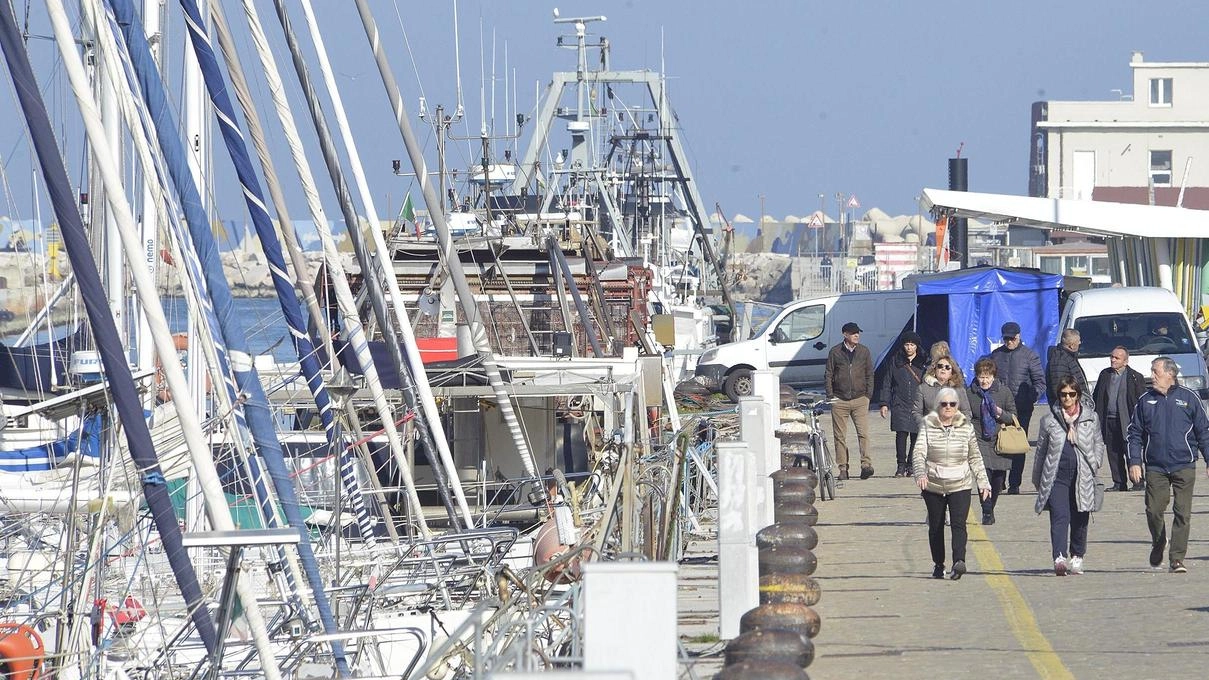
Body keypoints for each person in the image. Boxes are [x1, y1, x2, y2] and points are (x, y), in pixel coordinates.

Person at [1126, 357, 1209, 573]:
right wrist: (1134, 462)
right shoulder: (1145, 400)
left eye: (1156, 372)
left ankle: (1177, 558)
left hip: (1184, 464)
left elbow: (1204, 433)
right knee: (1154, 510)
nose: (1151, 376)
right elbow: (1134, 433)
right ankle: (1159, 541)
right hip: (1156, 466)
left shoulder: (1189, 398)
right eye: (1152, 372)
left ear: (1170, 374)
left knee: (1182, 512)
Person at [912, 387, 992, 580]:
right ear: (937, 406)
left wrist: (983, 482)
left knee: (959, 524)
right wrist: (920, 474)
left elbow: (974, 456)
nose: (948, 408)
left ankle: (959, 562)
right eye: (944, 404)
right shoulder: (927, 425)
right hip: (933, 484)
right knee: (936, 526)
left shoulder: (966, 427)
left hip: (960, 483)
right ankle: (939, 563)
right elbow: (919, 452)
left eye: (952, 404)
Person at [1032, 376, 1105, 575]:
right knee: (1059, 515)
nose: (1067, 398)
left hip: (1083, 473)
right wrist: (1038, 479)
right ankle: (1059, 557)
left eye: (1071, 394)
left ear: (1078, 396)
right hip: (1057, 475)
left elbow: (1099, 441)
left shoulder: (1091, 417)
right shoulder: (1049, 421)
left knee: (1081, 515)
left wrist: (1096, 461)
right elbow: (1040, 450)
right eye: (1063, 394)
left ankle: (1077, 556)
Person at [989, 321, 1046, 495]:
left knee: (1018, 446)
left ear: (1019, 336)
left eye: (1012, 338)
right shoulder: (996, 355)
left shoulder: (1029, 356)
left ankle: (1015, 483)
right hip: (999, 409)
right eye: (1006, 338)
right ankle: (999, 480)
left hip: (1022, 409)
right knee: (998, 444)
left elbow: (1040, 382)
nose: (1009, 342)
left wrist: (1031, 397)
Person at [968, 358, 1017, 525]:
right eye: (981, 376)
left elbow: (1013, 416)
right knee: (984, 476)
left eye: (988, 376)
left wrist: (999, 412)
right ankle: (986, 510)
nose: (984, 380)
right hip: (979, 438)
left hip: (999, 439)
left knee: (997, 479)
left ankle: (991, 505)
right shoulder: (970, 393)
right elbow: (966, 415)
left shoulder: (1004, 392)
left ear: (994, 376)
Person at [1092, 346, 1146, 491]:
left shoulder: (1135, 377)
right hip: (1108, 419)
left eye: (1117, 358)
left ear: (1125, 361)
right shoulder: (1105, 374)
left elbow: (1141, 400)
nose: (1113, 360)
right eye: (1112, 356)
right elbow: (1097, 396)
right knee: (1113, 452)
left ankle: (1138, 481)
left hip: (1127, 420)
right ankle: (1119, 482)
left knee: (1130, 451)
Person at [825, 321, 875, 480]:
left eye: (858, 333)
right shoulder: (835, 352)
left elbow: (869, 374)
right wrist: (830, 395)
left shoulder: (864, 351)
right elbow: (828, 374)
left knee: (863, 433)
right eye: (853, 333)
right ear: (845, 334)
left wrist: (868, 395)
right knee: (839, 436)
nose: (856, 335)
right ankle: (843, 468)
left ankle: (866, 465)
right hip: (840, 400)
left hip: (860, 398)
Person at [879, 331, 927, 477]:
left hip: (918, 403)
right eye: (907, 344)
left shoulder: (924, 362)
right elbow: (887, 382)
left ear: (917, 346)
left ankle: (911, 464)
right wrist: (884, 403)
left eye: (912, 345)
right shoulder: (895, 360)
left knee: (916, 435)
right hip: (899, 402)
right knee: (901, 434)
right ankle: (900, 465)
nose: (909, 348)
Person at [914, 353, 971, 422]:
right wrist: (925, 426)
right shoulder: (923, 388)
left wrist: (959, 427)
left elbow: (966, 413)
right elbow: (916, 412)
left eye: (947, 367)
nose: (943, 369)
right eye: (940, 366)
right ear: (935, 370)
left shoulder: (959, 390)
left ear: (952, 373)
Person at [1045, 328, 1088, 402]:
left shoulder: (1069, 356)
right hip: (1067, 406)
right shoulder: (1059, 360)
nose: (1080, 343)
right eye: (1078, 341)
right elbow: (1059, 388)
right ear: (1071, 345)